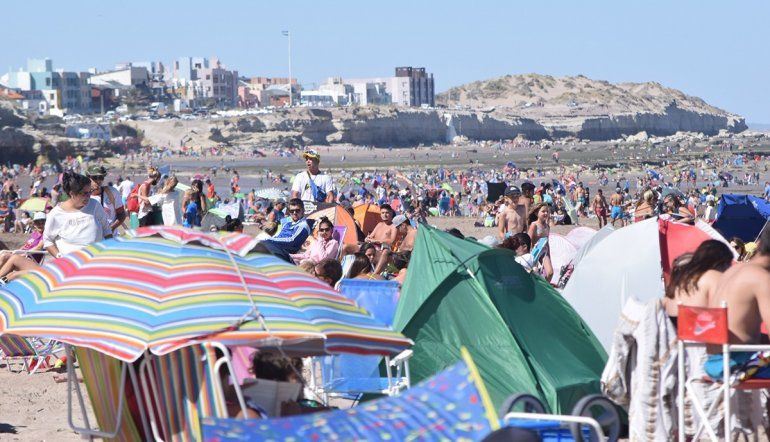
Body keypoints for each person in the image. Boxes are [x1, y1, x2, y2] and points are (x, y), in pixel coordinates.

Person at [707, 228, 770, 380]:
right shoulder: (761, 278)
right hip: (737, 365)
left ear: (758, 244)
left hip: (714, 362)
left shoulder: (731, 271)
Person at [662, 240, 734, 326]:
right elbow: (724, 312)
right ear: (722, 262)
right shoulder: (713, 276)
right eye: (729, 264)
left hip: (672, 326)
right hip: (695, 329)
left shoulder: (681, 278)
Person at [43, 172, 112, 258]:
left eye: (90, 192)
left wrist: (110, 251)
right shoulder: (56, 214)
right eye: (84, 193)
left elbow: (107, 230)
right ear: (72, 193)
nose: (88, 196)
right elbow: (48, 241)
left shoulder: (94, 205)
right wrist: (59, 257)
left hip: (97, 260)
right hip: (71, 262)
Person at [258, 198, 312, 263]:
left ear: (303, 210)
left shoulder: (303, 225)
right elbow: (275, 226)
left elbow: (292, 241)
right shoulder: (287, 221)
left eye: (297, 210)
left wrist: (271, 240)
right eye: (292, 211)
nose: (294, 213)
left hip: (286, 254)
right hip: (276, 247)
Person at [0, 212, 47, 283]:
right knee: (4, 255)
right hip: (24, 257)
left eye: (43, 222)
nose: (40, 225)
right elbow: (26, 246)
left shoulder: (46, 234)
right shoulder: (34, 234)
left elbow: (39, 247)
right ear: (34, 224)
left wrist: (22, 254)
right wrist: (16, 251)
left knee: (14, 258)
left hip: (31, 260)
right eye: (37, 222)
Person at [87, 165, 126, 232]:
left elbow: (122, 214)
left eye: (101, 177)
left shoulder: (112, 192)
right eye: (95, 177)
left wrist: (111, 228)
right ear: (88, 178)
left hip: (110, 236)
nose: (98, 180)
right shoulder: (83, 196)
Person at [527, 203, 554, 281]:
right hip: (534, 252)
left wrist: (549, 254)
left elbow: (546, 242)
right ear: (536, 213)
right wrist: (528, 255)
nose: (546, 213)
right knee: (533, 274)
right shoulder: (534, 225)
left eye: (547, 211)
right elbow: (528, 240)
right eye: (543, 211)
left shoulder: (547, 226)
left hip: (544, 252)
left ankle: (546, 286)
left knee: (550, 273)